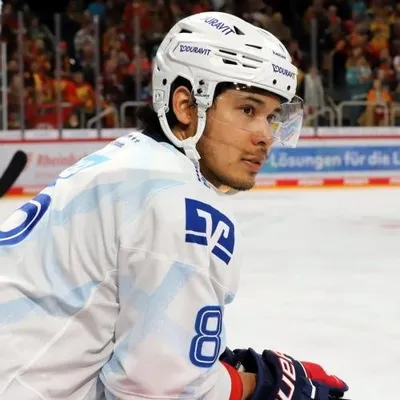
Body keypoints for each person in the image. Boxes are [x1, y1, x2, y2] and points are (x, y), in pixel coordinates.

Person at [0, 11, 349, 400]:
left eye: (271, 116)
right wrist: (263, 386)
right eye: (248, 110)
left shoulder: (131, 162)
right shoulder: (176, 199)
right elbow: (157, 391)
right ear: (185, 105)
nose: (265, 135)